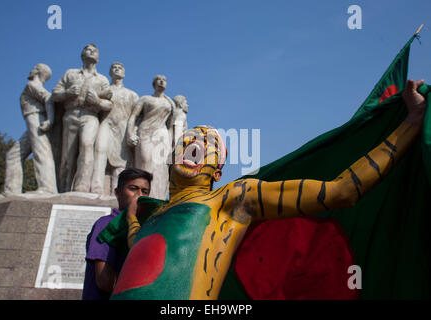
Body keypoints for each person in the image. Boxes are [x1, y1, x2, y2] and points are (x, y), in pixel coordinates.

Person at [109, 79, 427, 300]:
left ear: (218, 171)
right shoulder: (152, 219)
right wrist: (135, 214)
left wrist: (411, 123)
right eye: (188, 141)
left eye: (205, 145)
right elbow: (135, 241)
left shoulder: (233, 198)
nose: (194, 146)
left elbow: (341, 190)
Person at [82, 168, 152, 300]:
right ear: (117, 192)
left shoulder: (145, 228)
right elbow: (105, 281)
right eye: (133, 188)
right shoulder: (106, 224)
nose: (139, 195)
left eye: (145, 191)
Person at [52, 43, 113, 193]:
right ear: (82, 55)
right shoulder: (70, 74)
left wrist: (97, 102)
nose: (91, 52)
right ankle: (64, 188)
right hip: (70, 115)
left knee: (87, 146)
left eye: (94, 50)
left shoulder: (102, 79)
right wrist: (67, 93)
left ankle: (82, 186)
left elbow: (109, 104)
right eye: (88, 49)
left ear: (98, 58)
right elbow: (55, 95)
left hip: (90, 116)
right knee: (67, 155)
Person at [4, 63, 58, 194]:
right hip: (31, 120)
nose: (31, 70)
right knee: (13, 155)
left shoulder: (32, 85)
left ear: (39, 72)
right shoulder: (33, 85)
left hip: (37, 119)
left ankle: (47, 188)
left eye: (34, 68)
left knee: (41, 152)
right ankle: (11, 191)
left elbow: (48, 99)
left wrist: (50, 120)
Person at [91, 62, 139, 195]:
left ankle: (117, 194)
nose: (117, 70)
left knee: (121, 161)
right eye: (114, 68)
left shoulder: (132, 95)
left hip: (123, 127)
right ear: (110, 72)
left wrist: (133, 133)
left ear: (124, 73)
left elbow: (136, 117)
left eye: (120, 68)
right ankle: (96, 189)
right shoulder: (105, 91)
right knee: (99, 151)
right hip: (106, 123)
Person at [126, 75, 175, 200]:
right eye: (159, 80)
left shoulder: (169, 103)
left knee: (161, 167)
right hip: (146, 132)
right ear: (154, 83)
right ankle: (141, 194)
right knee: (144, 161)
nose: (162, 82)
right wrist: (130, 133)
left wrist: (171, 143)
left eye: (164, 80)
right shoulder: (145, 99)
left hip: (162, 134)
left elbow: (171, 124)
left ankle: (158, 197)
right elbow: (133, 117)